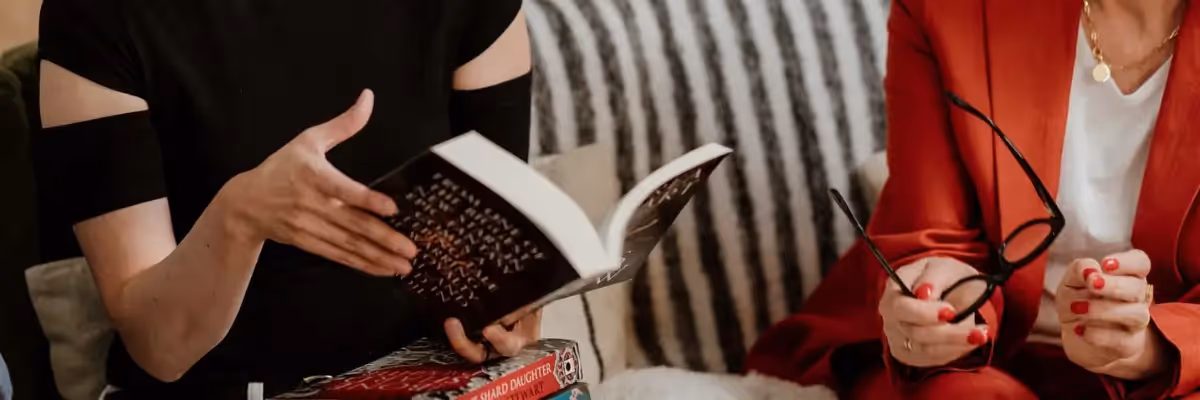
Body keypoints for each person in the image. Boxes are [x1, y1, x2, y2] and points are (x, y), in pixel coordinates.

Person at [34, 0, 539, 398]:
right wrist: (241, 216)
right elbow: (160, 348)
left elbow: (499, 250)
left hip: (432, 379)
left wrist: (511, 311)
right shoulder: (96, 15)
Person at [746, 0, 1200, 398]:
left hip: (1172, 375)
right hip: (979, 365)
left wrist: (1153, 346)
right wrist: (942, 306)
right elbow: (930, 233)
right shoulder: (945, 8)